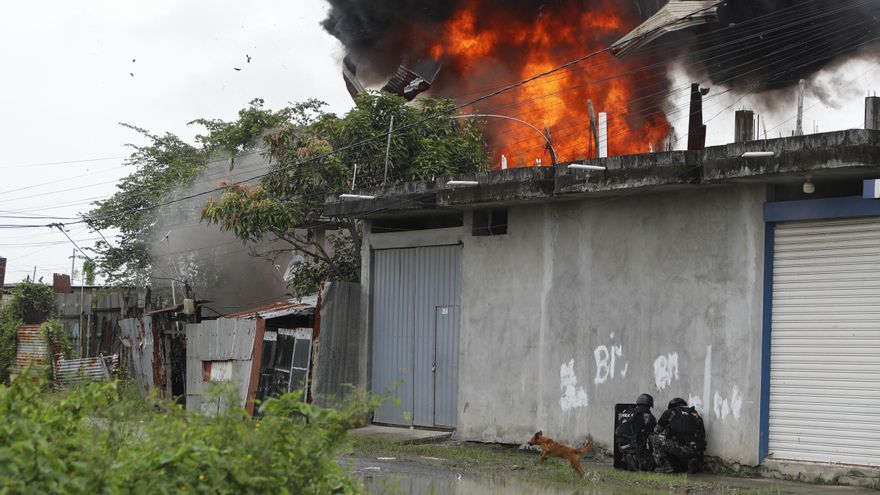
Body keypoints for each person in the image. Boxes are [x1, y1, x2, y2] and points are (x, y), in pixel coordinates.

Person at [649, 397, 706, 473]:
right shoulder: (695, 414)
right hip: (696, 450)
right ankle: (692, 462)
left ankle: (666, 466)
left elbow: (656, 430)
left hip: (681, 448)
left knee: (654, 438)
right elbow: (702, 435)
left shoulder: (670, 412)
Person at [615, 393, 657, 471]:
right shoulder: (645, 414)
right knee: (649, 466)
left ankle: (628, 458)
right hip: (634, 445)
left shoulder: (627, 411)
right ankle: (635, 461)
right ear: (648, 404)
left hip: (620, 445)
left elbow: (618, 430)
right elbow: (652, 428)